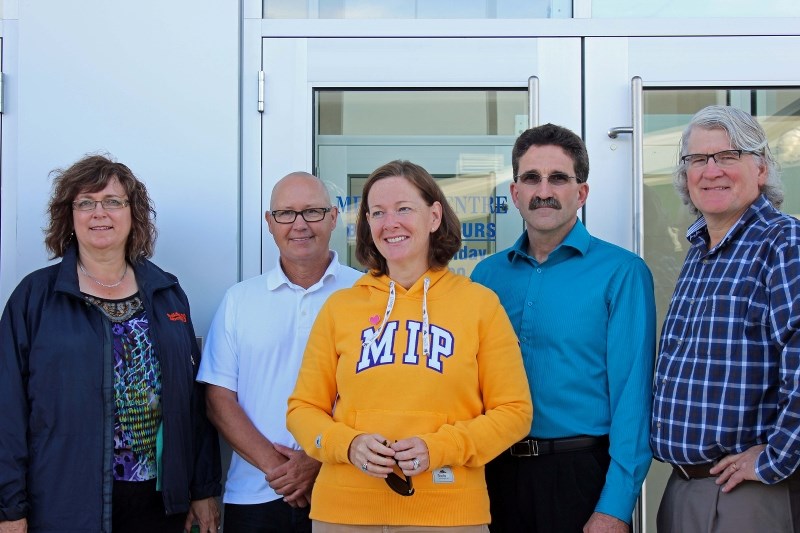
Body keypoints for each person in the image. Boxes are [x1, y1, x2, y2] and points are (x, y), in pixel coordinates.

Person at [286, 160, 533, 531]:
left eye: (404, 209)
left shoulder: (480, 305)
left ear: (434, 216)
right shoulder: (340, 308)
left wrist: (442, 448)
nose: (391, 223)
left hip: (449, 514)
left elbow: (515, 412)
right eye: (378, 212)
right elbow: (302, 409)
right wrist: (347, 444)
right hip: (344, 513)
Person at [0, 154, 221, 533]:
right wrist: (9, 508)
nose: (99, 213)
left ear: (132, 213)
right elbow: (7, 409)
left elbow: (191, 402)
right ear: (69, 216)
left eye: (113, 202)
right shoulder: (35, 297)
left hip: (157, 504)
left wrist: (202, 489)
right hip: (63, 502)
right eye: (86, 203)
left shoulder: (167, 292)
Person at [471, 124, 656, 533]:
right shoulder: (486, 276)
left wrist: (615, 506)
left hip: (579, 475)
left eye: (558, 178)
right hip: (491, 473)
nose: (544, 190)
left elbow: (633, 399)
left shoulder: (622, 274)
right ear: (515, 192)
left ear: (581, 193)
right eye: (531, 178)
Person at [651, 105, 800, 532]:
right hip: (684, 489)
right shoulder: (700, 251)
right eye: (698, 159)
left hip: (746, 495)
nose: (711, 170)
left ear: (762, 169)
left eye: (727, 156)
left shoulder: (783, 242)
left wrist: (776, 458)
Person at [197, 172, 362, 532]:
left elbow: (379, 392)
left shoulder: (367, 293)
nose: (299, 224)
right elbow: (218, 399)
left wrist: (316, 460)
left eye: (313, 212)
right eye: (286, 213)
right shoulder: (240, 300)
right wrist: (279, 469)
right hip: (255, 496)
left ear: (333, 218)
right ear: (269, 223)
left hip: (347, 490)